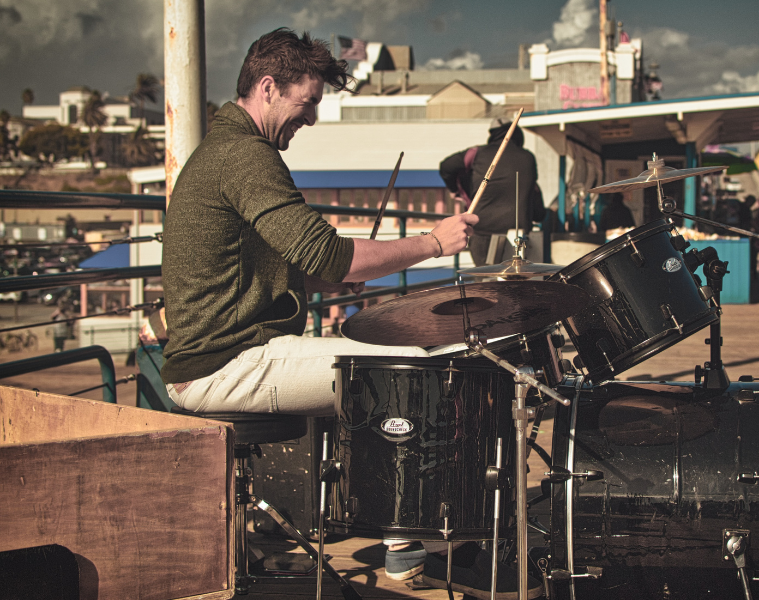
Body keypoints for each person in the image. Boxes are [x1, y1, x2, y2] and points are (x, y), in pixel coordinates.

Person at [160, 28, 538, 599]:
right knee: (409, 370)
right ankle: (413, 546)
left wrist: (350, 271)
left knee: (391, 355)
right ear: (268, 87)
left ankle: (406, 530)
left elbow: (301, 266)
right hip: (224, 366)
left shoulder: (224, 151)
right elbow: (329, 255)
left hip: (224, 355)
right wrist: (433, 243)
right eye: (306, 103)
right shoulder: (245, 156)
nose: (308, 119)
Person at [439, 118, 545, 266]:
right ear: (518, 135)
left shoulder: (477, 153)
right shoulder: (528, 157)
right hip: (517, 234)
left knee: (485, 283)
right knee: (514, 283)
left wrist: (455, 190)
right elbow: (536, 201)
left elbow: (446, 166)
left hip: (481, 231)